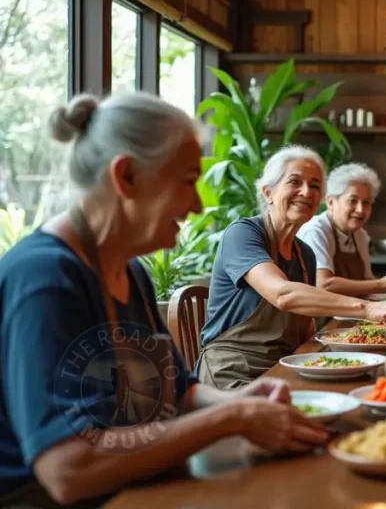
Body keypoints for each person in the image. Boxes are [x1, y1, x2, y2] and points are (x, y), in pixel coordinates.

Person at [0, 92, 329, 507]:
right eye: (188, 181)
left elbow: (180, 392)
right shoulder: (44, 278)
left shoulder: (130, 271)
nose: (196, 205)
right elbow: (68, 469)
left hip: (138, 485)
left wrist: (244, 399)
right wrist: (233, 417)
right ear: (127, 177)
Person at [198, 147, 386, 389]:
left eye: (315, 185)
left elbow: (305, 332)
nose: (306, 192)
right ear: (268, 192)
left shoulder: (304, 254)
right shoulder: (243, 234)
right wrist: (367, 309)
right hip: (234, 370)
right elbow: (283, 294)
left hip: (284, 369)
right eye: (294, 182)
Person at [296, 163, 386, 297]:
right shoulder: (316, 231)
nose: (360, 210)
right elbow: (323, 285)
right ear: (330, 202)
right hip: (320, 316)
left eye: (366, 202)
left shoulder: (360, 235)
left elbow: (367, 282)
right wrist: (383, 284)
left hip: (351, 313)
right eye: (353, 201)